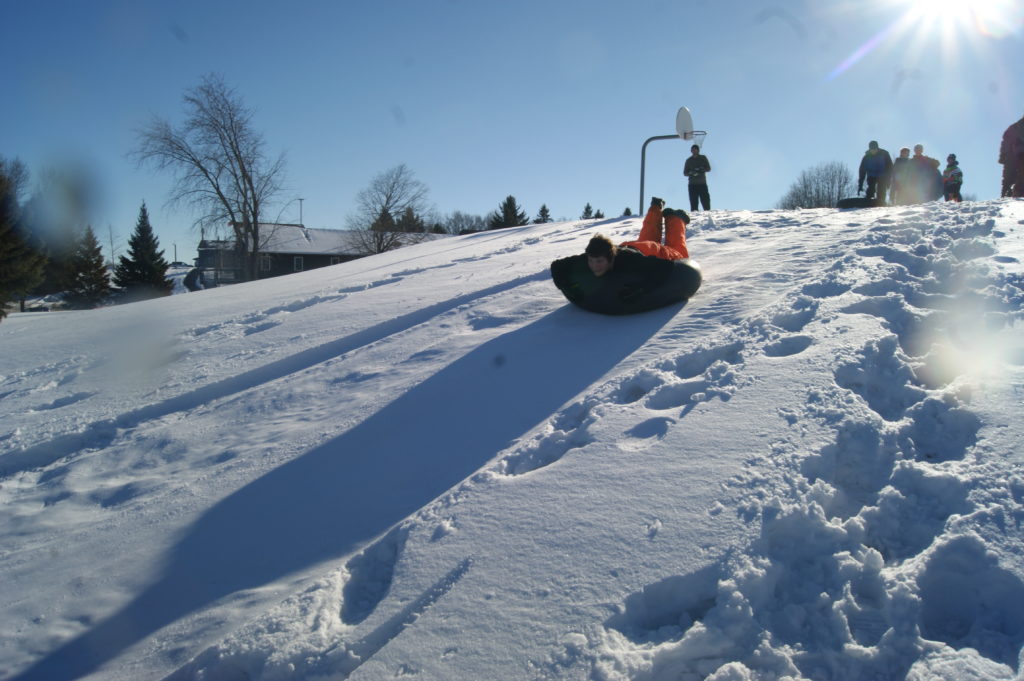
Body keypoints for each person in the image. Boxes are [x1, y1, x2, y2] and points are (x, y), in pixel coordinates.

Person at [550, 198, 689, 306]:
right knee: (646, 238)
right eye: (591, 261)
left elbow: (665, 268)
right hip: (631, 246)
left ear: (610, 258)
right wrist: (568, 287)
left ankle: (676, 218)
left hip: (650, 250)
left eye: (599, 261)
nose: (594, 266)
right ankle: (655, 207)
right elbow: (556, 266)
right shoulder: (590, 258)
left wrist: (642, 289)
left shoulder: (631, 261)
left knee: (679, 251)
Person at [1000, 112, 1024, 198]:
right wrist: (1003, 155)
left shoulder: (1014, 127)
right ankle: (1007, 195)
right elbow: (1006, 140)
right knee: (1009, 177)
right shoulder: (1015, 127)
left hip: (1014, 156)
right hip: (1013, 156)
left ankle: (1014, 193)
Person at [683, 145, 711, 211]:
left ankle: (708, 214)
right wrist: (691, 173)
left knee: (705, 201)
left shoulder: (703, 158)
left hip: (702, 183)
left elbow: (708, 168)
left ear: (698, 150)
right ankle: (695, 215)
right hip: (692, 184)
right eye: (692, 150)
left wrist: (701, 169)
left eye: (695, 149)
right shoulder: (688, 160)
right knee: (693, 203)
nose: (694, 151)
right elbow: (685, 173)